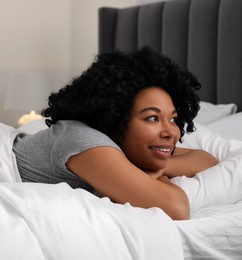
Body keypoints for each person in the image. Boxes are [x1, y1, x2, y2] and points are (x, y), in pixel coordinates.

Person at [12, 48, 219, 220]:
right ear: (116, 118)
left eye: (173, 119)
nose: (170, 132)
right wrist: (151, 175)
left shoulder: (129, 146)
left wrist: (157, 169)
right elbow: (177, 208)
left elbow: (207, 159)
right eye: (152, 118)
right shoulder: (86, 142)